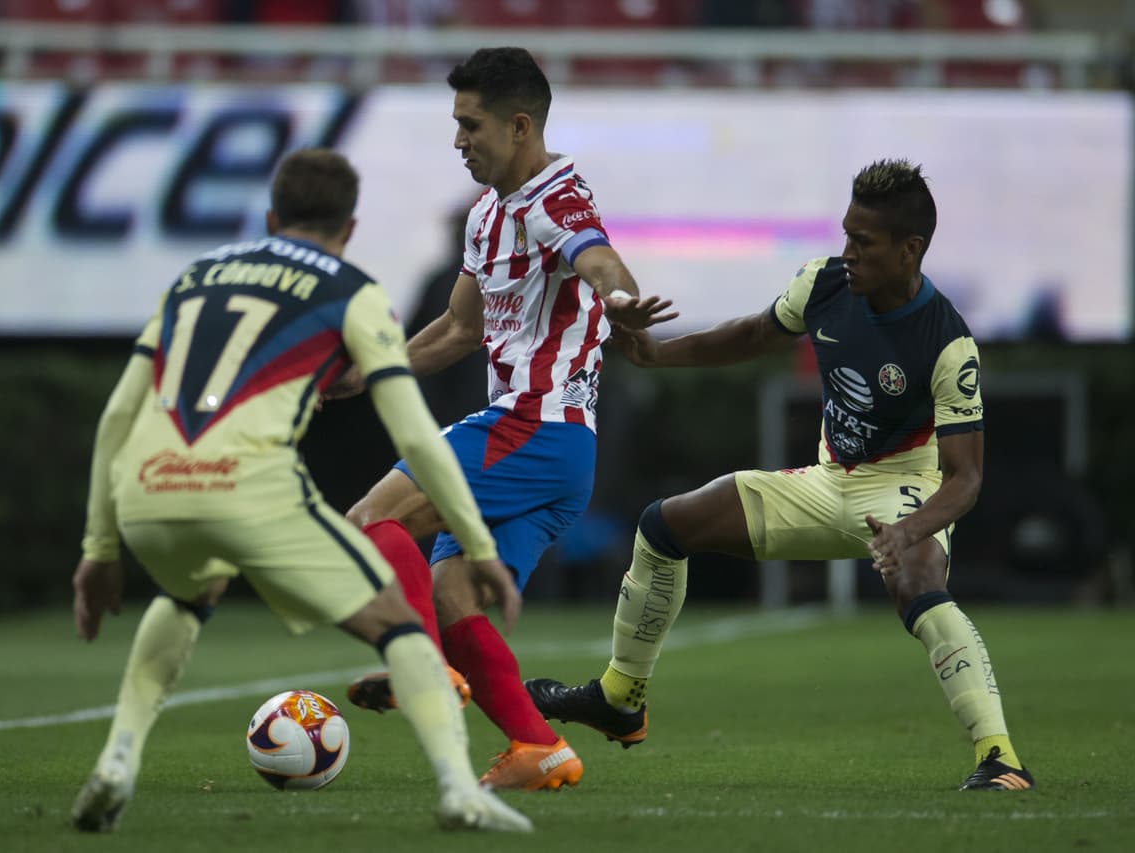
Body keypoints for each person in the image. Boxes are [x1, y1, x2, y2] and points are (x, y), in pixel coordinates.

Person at [525, 159, 1035, 793]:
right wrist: (660, 354)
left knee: (919, 580)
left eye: (864, 243)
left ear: (911, 251)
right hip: (828, 482)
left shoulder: (948, 341)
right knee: (665, 525)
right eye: (846, 234)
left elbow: (964, 480)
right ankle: (619, 697)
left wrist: (910, 530)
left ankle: (1001, 759)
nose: (848, 252)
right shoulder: (824, 284)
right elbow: (752, 335)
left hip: (902, 488)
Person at [68, 148, 533, 835]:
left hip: (148, 483)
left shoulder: (195, 279)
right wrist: (474, 537)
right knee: (399, 625)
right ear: (348, 228)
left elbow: (115, 417)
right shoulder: (351, 288)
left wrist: (98, 546)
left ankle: (117, 758)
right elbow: (413, 432)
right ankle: (459, 789)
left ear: (270, 217)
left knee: (187, 595)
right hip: (248, 484)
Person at [325, 46, 677, 792]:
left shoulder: (556, 196)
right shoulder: (488, 215)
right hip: (548, 450)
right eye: (455, 123)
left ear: (520, 127)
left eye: (470, 124)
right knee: (452, 595)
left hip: (530, 428)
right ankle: (538, 746)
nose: (458, 140)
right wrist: (366, 373)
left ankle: (421, 666)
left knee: (367, 522)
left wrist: (619, 302)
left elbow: (603, 263)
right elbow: (456, 330)